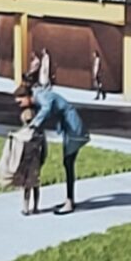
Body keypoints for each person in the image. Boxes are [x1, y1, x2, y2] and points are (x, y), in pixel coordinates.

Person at [23, 80, 89, 215]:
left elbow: (47, 108)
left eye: (20, 101)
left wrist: (34, 124)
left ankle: (69, 202)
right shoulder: (39, 96)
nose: (20, 105)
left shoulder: (40, 96)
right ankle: (70, 199)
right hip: (69, 127)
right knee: (68, 163)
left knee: (68, 163)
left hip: (73, 127)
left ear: (27, 97)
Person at [2, 89, 48, 214]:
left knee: (29, 185)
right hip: (33, 160)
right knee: (33, 184)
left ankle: (28, 207)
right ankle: (33, 207)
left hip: (30, 160)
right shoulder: (38, 133)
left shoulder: (26, 133)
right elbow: (44, 148)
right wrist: (42, 158)